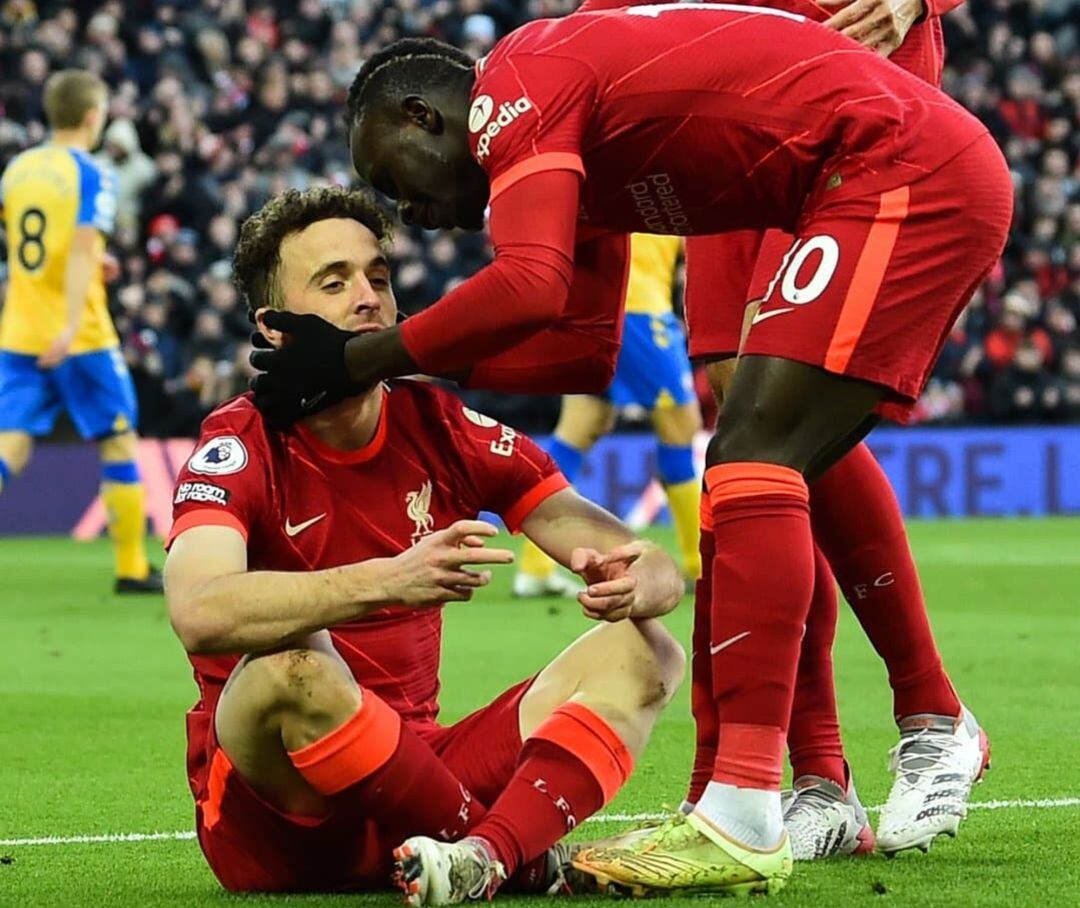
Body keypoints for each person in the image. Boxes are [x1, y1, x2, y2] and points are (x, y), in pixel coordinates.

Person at [248, 3, 1013, 894]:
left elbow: (528, 284)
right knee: (750, 461)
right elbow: (574, 349)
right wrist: (369, 377)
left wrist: (353, 356)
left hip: (893, 168)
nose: (410, 215)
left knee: (752, 456)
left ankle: (761, 799)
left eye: (397, 181)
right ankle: (768, 789)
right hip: (854, 176)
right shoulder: (576, 135)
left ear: (426, 115)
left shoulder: (517, 82)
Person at [164, 186, 686, 904]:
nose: (369, 296)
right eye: (334, 281)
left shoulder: (437, 423)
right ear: (275, 326)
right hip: (286, 821)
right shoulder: (241, 442)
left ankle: (478, 857)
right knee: (294, 666)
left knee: (648, 649)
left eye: (378, 276)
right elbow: (197, 608)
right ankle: (523, 860)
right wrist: (386, 579)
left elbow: (632, 555)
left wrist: (644, 579)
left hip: (418, 773)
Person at [0, 69, 160, 594]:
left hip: (20, 329)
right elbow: (80, 248)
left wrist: (96, 263)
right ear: (93, 117)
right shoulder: (92, 173)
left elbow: (36, 245)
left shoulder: (18, 170)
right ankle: (132, 567)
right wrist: (70, 323)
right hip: (80, 334)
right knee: (117, 438)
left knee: (12, 446)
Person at [514, 234, 702, 598]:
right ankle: (701, 564)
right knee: (682, 428)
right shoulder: (661, 184)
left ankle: (535, 570)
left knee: (581, 427)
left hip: (595, 307)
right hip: (639, 309)